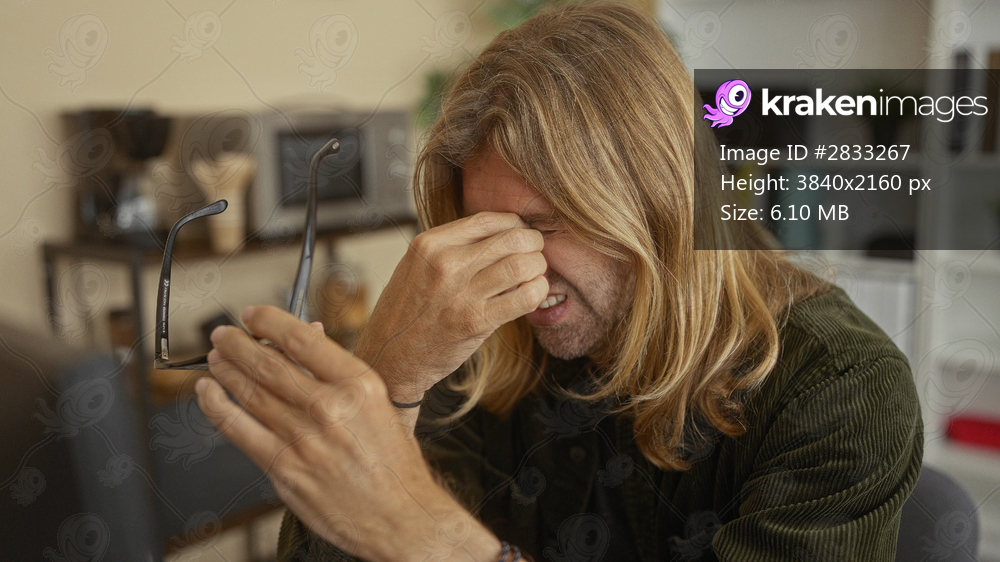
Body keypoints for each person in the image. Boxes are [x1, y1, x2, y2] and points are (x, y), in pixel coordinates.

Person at [194, 2, 923, 561]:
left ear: (661, 204)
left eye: (546, 225)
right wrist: (386, 381)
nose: (514, 270)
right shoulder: (479, 349)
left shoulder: (840, 386)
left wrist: (436, 541)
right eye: (484, 230)